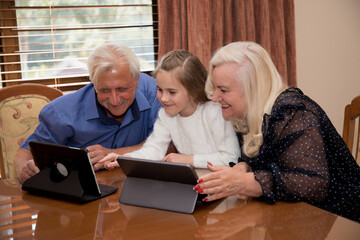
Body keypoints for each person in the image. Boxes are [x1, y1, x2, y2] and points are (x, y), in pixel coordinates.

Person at [193, 41, 360, 222]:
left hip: (341, 220)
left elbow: (312, 184)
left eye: (223, 90)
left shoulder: (294, 112)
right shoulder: (253, 112)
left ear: (253, 89)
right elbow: (273, 161)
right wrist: (245, 168)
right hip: (293, 215)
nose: (215, 97)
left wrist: (247, 182)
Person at [13, 43, 162, 183]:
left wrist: (113, 154)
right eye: (104, 90)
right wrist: (25, 169)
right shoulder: (62, 113)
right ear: (93, 84)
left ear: (136, 80)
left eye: (122, 89)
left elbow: (166, 145)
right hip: (85, 196)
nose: (115, 100)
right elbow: (24, 153)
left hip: (139, 187)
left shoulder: (156, 93)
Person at [99, 49, 240, 169]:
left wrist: (188, 160)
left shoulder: (215, 112)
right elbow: (154, 150)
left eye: (172, 92)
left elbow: (231, 158)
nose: (164, 98)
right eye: (160, 89)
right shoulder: (166, 115)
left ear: (194, 91)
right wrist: (125, 158)